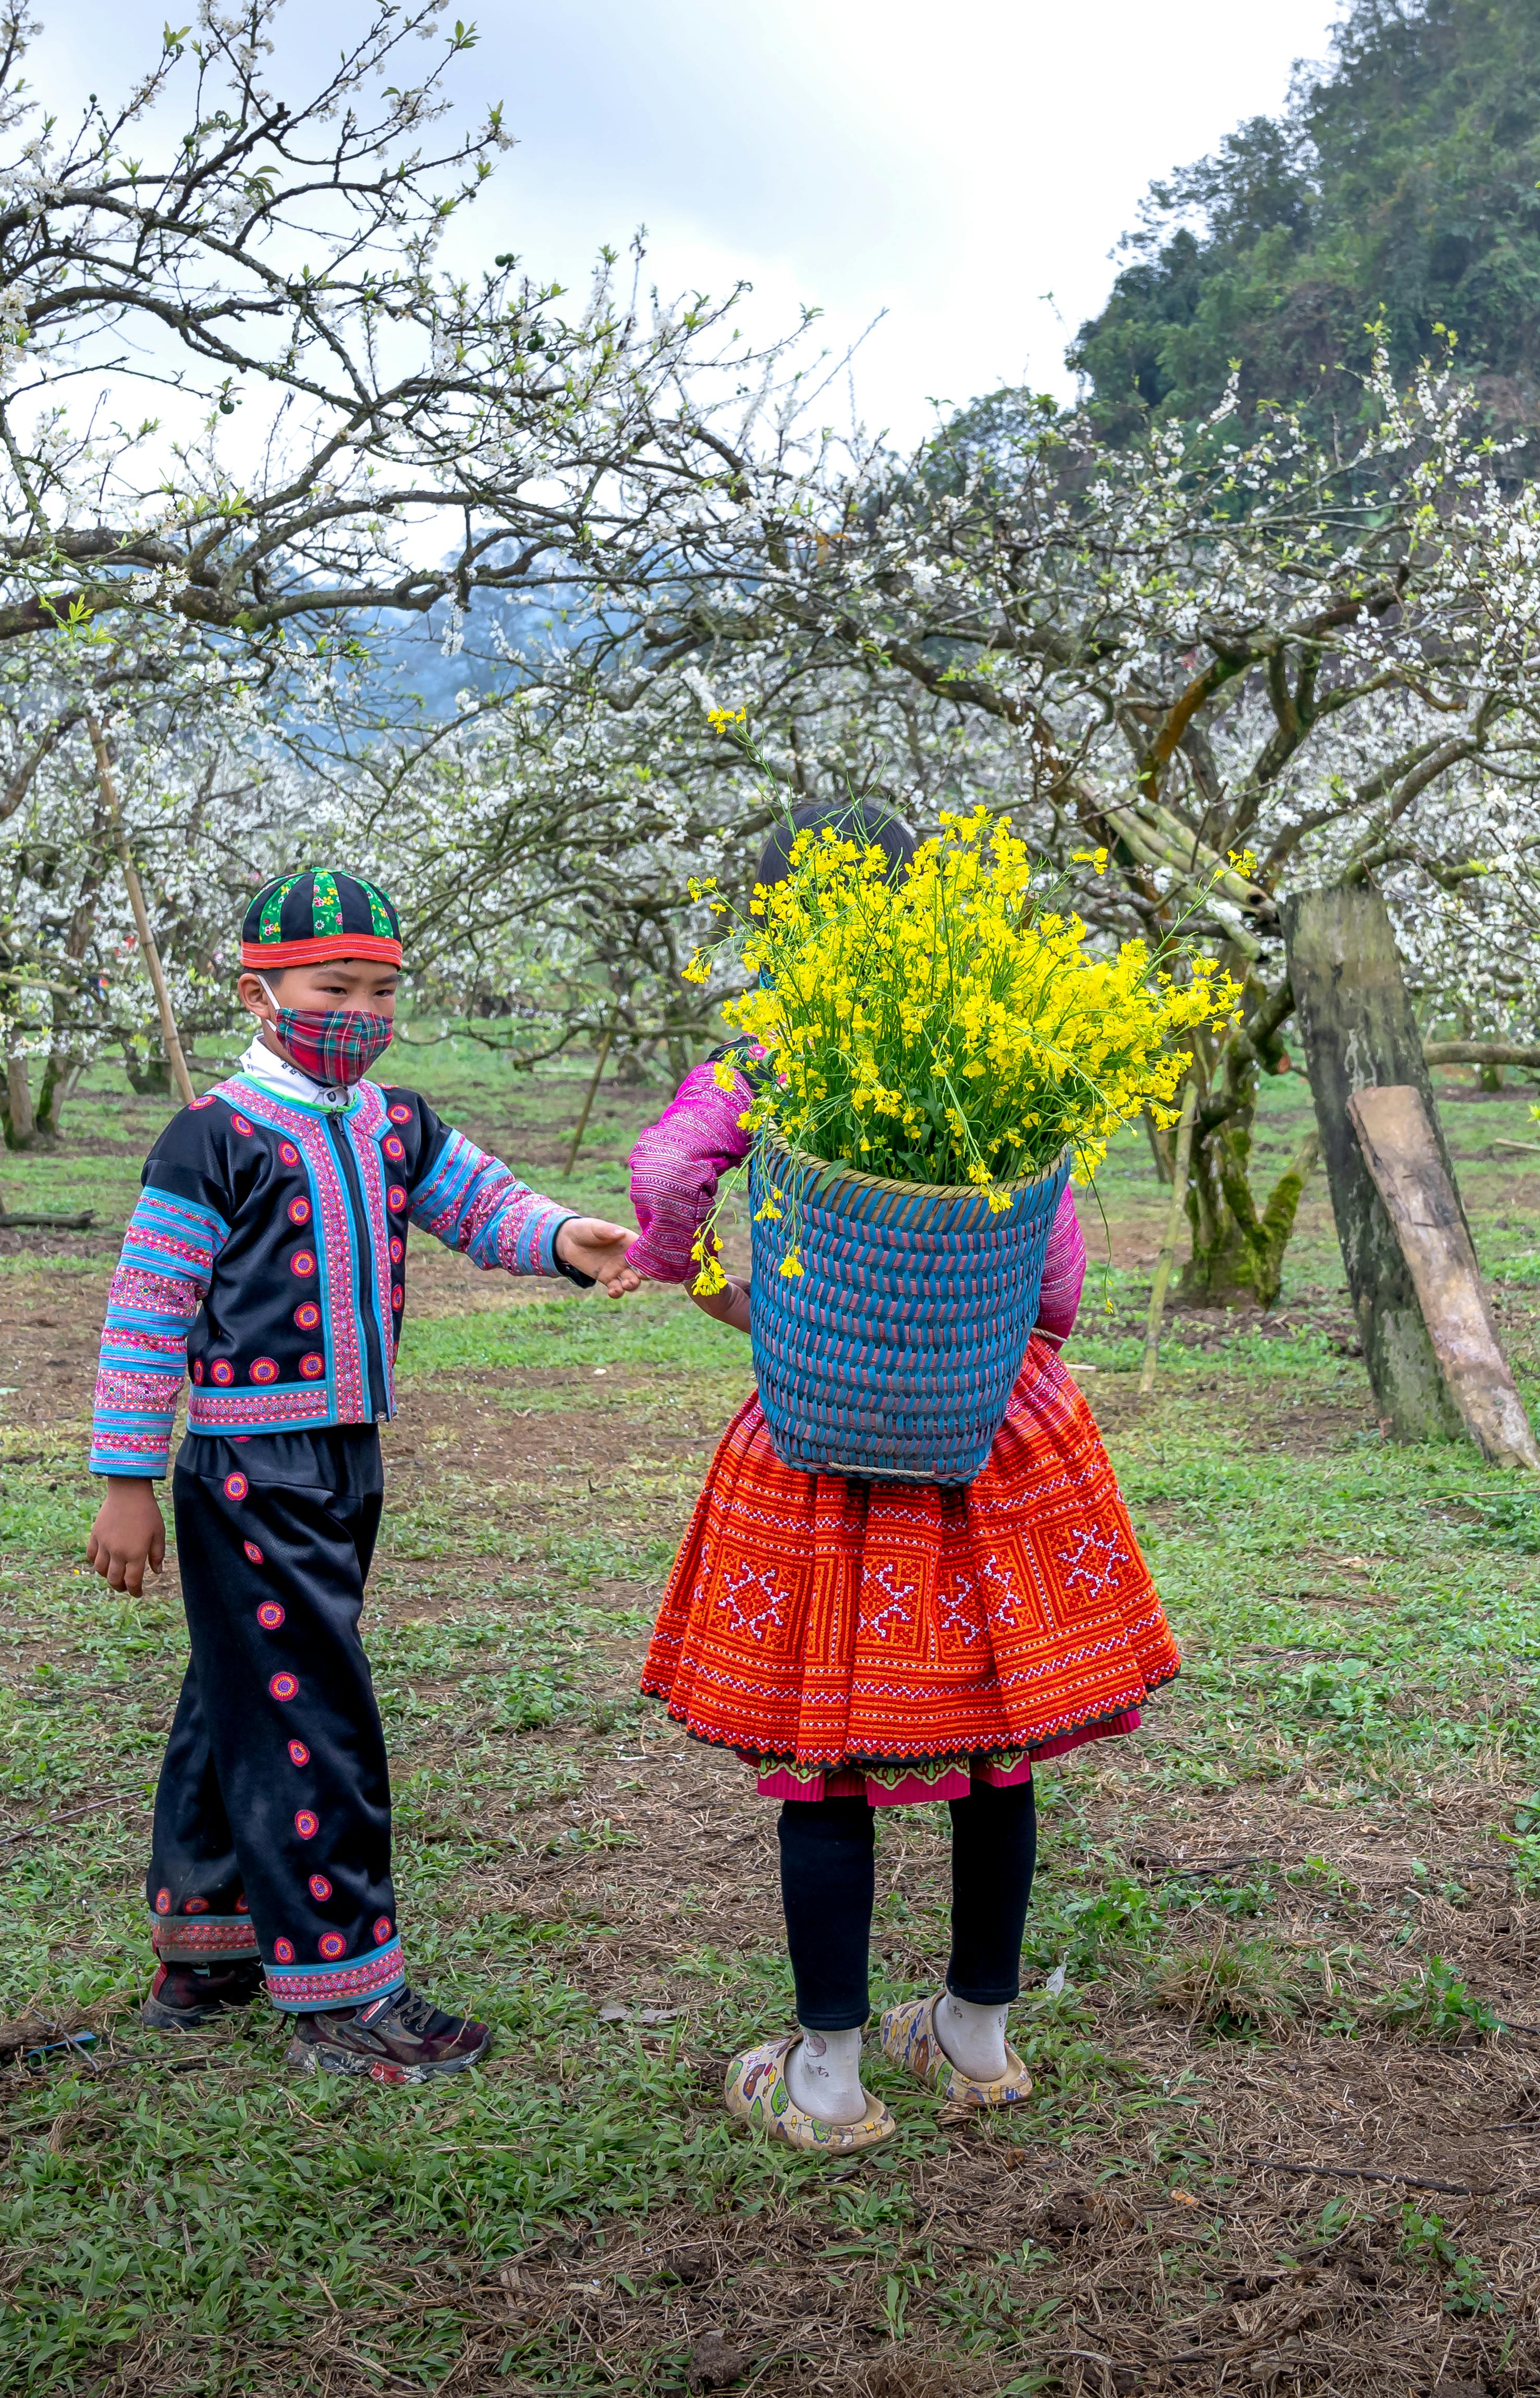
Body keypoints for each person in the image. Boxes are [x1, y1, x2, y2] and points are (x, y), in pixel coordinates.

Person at [605, 797, 1183, 2153]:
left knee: (830, 1761)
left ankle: (827, 2080)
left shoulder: (774, 1047)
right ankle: (976, 2038)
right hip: (997, 1430)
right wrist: (993, 1337)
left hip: (829, 1440)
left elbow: (672, 1169)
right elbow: (1056, 1260)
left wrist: (715, 1292)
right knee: (995, 1748)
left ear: (782, 934)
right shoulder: (1008, 1046)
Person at [83, 865, 638, 2082]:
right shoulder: (213, 1138)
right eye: (336, 987)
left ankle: (211, 1945)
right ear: (261, 991)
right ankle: (343, 1991)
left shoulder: (394, 1123)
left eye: (382, 991)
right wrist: (127, 1476)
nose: (362, 1012)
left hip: (347, 1455)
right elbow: (147, 1314)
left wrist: (561, 1237)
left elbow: (479, 1205)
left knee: (243, 1688)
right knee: (310, 1712)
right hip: (246, 1465)